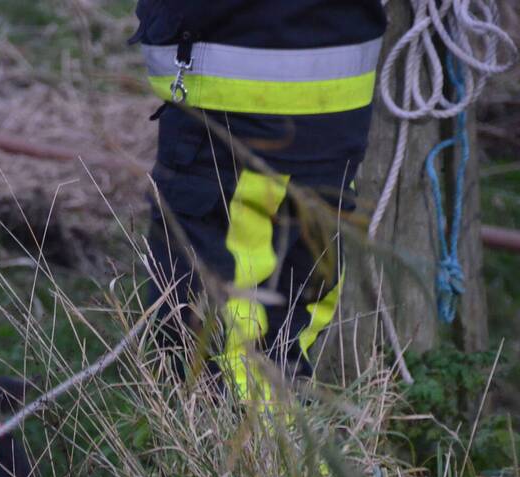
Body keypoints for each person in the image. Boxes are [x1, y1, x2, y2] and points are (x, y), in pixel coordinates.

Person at [133, 1, 386, 400]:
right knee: (286, 330)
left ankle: (233, 452)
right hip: (337, 101)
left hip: (229, 98)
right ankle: (276, 449)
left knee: (208, 337)